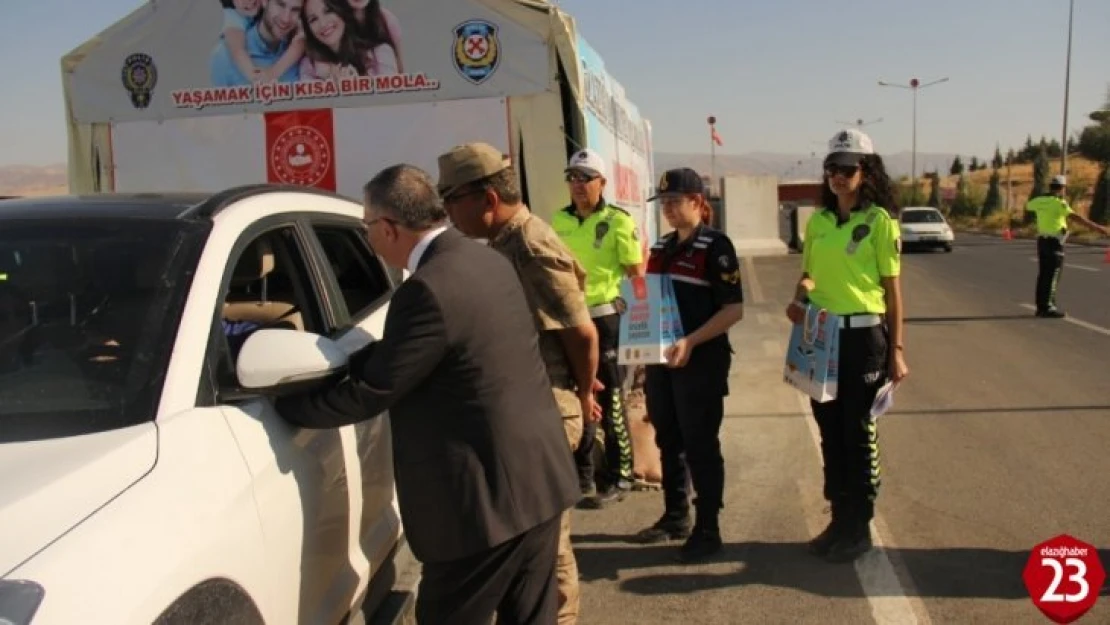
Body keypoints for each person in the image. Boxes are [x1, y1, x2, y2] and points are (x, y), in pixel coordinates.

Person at [273, 164, 580, 624]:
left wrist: (284, 408)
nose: (368, 236)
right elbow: (434, 352)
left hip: (483, 510)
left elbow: (372, 392)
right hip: (538, 483)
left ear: (390, 227)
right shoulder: (484, 259)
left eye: (368, 225)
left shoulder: (426, 289)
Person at [435, 141, 602, 625]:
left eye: (453, 199)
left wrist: (584, 392)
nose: (447, 212)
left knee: (547, 543)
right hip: (531, 404)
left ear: (487, 199)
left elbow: (581, 332)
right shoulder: (504, 242)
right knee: (543, 540)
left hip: (549, 404)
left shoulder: (528, 246)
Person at [785, 128, 909, 563]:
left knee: (857, 432)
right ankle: (839, 519)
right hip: (822, 334)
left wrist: (896, 349)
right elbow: (810, 275)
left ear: (866, 171)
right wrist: (799, 298)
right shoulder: (818, 221)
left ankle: (860, 526)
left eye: (847, 168)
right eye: (832, 168)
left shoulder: (879, 222)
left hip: (864, 337)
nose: (838, 176)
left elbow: (892, 290)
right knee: (829, 431)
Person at [629, 168, 744, 562]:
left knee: (700, 444)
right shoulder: (661, 246)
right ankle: (675, 515)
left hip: (701, 363)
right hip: (661, 364)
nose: (668, 210)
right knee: (668, 439)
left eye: (675, 202)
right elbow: (651, 303)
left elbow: (734, 310)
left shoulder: (716, 246)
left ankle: (708, 527)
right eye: (664, 204)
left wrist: (692, 341)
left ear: (698, 202)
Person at [553, 148, 643, 509]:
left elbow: (638, 277)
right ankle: (583, 476)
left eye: (586, 178)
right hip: (567, 320)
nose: (578, 185)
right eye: (573, 177)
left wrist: (643, 331)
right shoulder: (557, 220)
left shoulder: (619, 221)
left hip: (605, 320)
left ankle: (622, 475)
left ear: (602, 183)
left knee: (611, 397)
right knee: (576, 396)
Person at [1024, 174, 1109, 318]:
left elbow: (1029, 206)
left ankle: (1041, 306)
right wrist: (1098, 228)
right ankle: (1048, 307)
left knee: (1043, 275)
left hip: (1042, 242)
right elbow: (1076, 217)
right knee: (1053, 276)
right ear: (1062, 188)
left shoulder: (1039, 201)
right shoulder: (1060, 203)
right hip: (1055, 243)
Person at [210, 0, 305, 86]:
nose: (286, 19)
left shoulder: (303, 52)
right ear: (264, 1)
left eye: (295, 10)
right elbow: (236, 49)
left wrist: (272, 73)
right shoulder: (224, 56)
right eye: (280, 4)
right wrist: (256, 77)